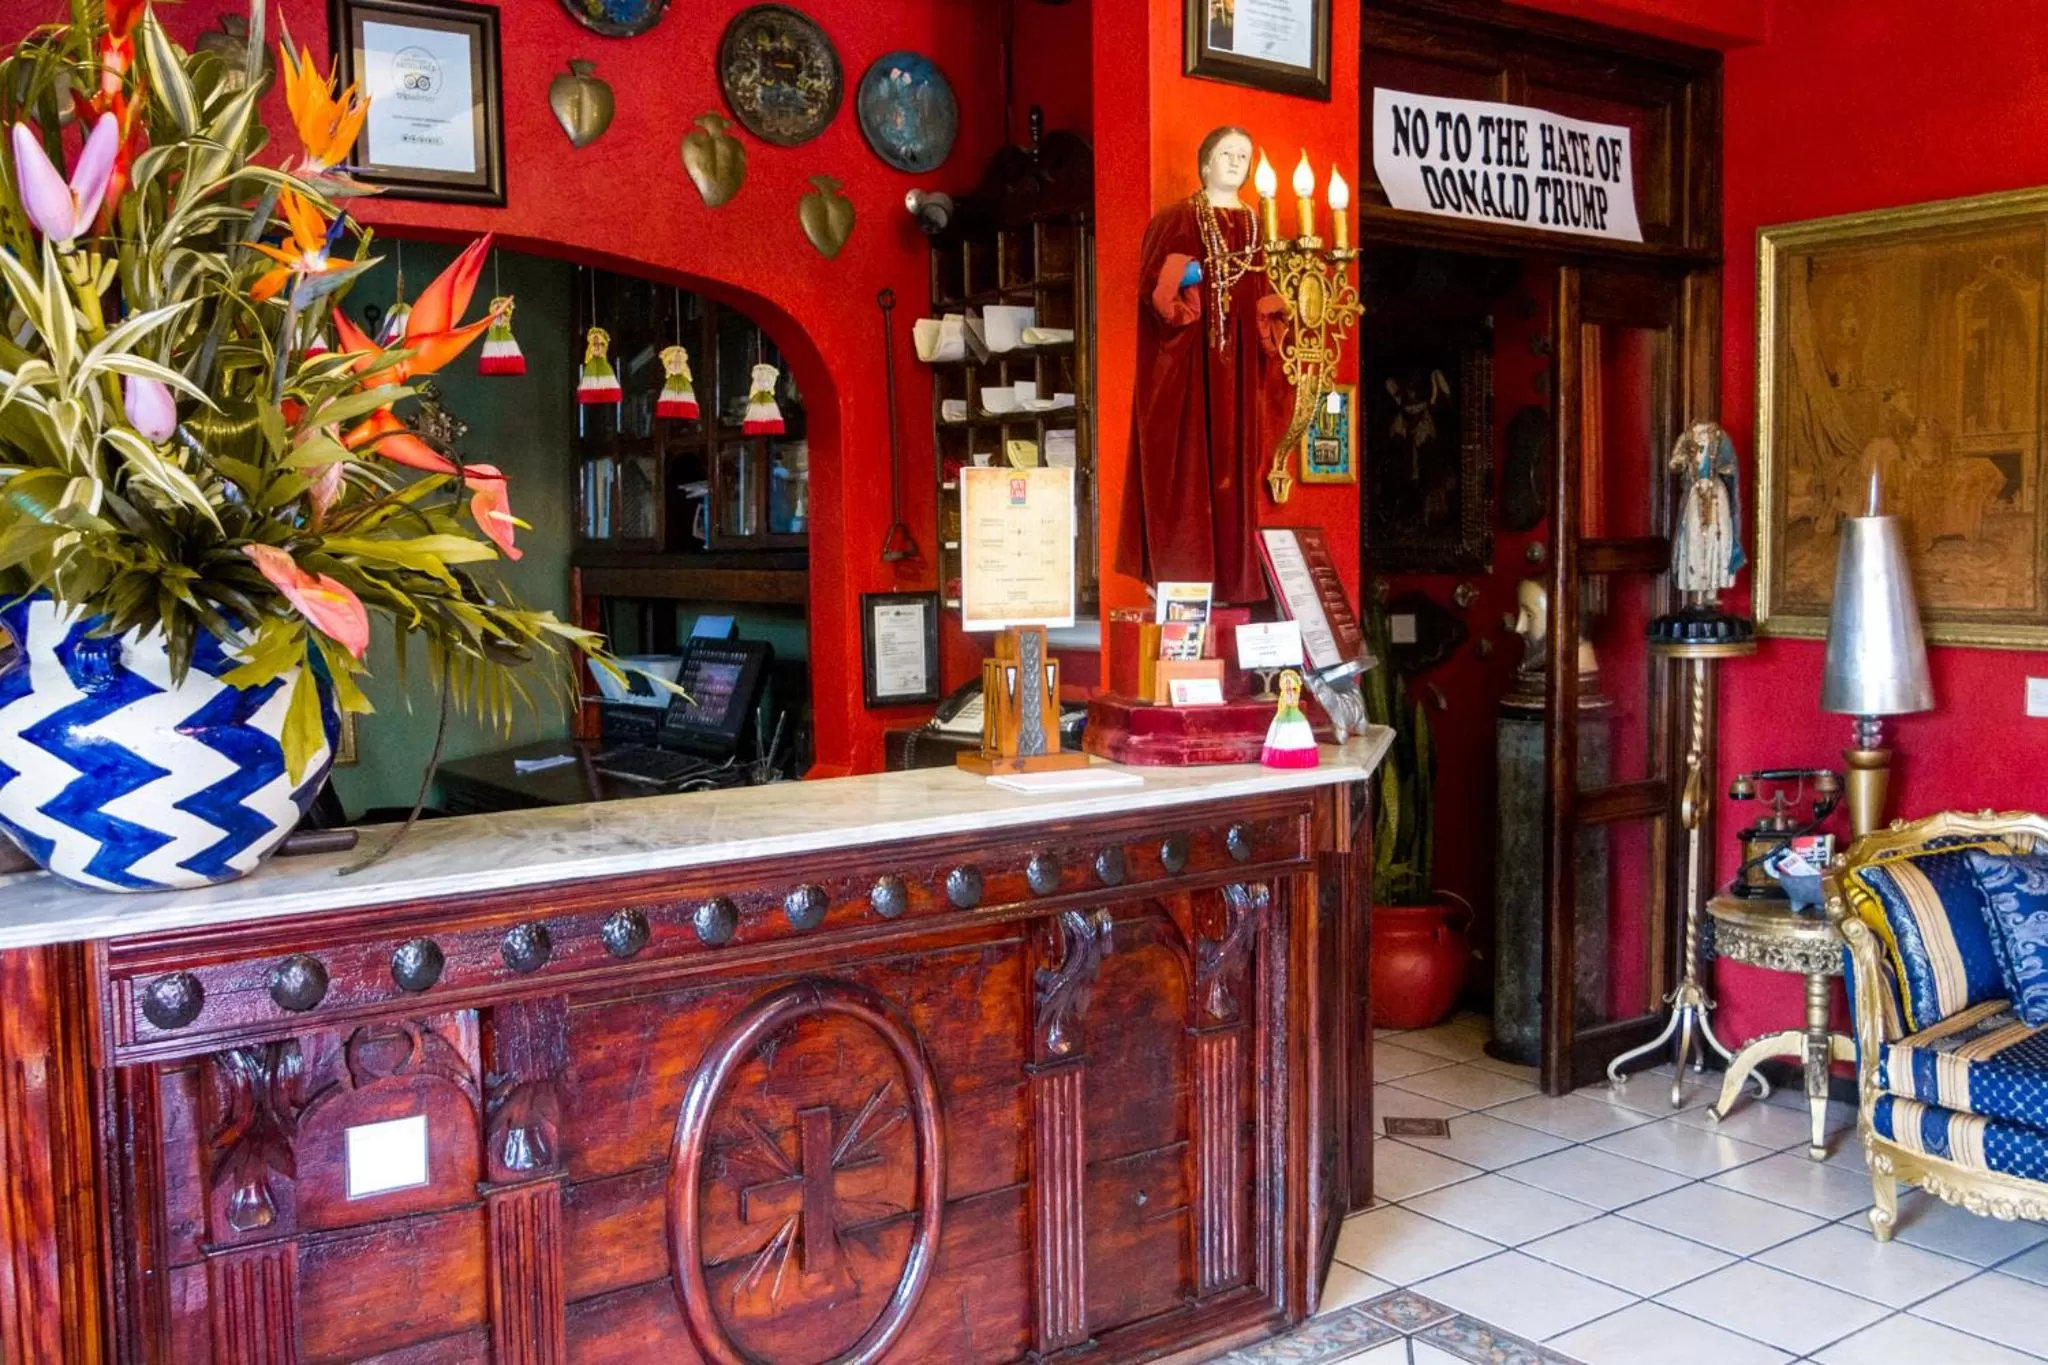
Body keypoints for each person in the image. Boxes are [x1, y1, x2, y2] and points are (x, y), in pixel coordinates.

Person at [1119, 126, 1293, 603]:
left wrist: (1274, 312)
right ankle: (1181, 574)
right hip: (1190, 367)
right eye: (1227, 153)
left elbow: (1260, 292)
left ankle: (1232, 579)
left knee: (1236, 461)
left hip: (1236, 371)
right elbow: (1156, 292)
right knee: (1186, 459)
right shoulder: (1176, 219)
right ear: (1205, 163)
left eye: (1244, 155)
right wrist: (1190, 276)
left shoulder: (1257, 227)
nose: (1236, 162)